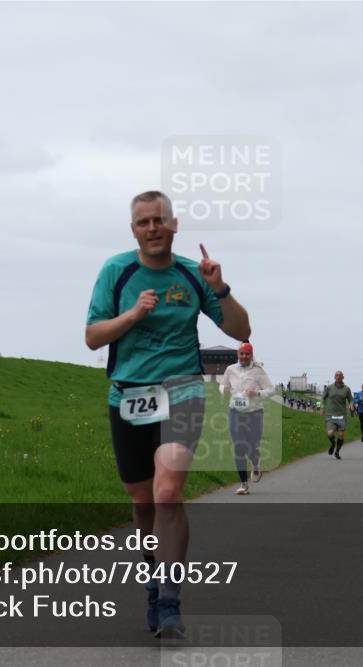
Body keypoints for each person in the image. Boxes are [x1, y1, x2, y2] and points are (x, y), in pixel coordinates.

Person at [85, 190, 251, 638]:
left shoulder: (193, 275)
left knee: (168, 491)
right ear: (133, 230)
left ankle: (171, 601)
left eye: (160, 220)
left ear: (174, 225)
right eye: (144, 222)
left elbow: (241, 330)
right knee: (142, 500)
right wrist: (133, 315)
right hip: (129, 396)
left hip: (182, 391)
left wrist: (220, 288)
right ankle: (153, 581)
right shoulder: (116, 272)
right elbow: (93, 337)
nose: (153, 228)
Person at [221, 342, 274, 495]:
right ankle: (244, 484)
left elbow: (271, 390)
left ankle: (255, 462)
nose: (244, 356)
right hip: (235, 412)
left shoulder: (258, 371)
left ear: (251, 355)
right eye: (242, 354)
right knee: (239, 447)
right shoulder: (230, 369)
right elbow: (222, 385)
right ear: (238, 354)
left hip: (254, 413)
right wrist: (224, 389)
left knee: (251, 446)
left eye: (247, 354)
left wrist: (257, 393)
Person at [321, 371, 353, 459]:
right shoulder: (329, 388)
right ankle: (333, 444)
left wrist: (351, 404)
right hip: (331, 415)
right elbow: (322, 398)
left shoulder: (346, 389)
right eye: (336, 375)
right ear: (334, 377)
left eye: (340, 375)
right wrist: (321, 407)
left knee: (341, 435)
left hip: (342, 415)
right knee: (330, 433)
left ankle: (337, 452)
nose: (338, 377)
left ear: (343, 377)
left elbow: (351, 399)